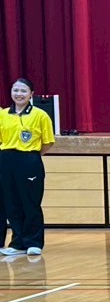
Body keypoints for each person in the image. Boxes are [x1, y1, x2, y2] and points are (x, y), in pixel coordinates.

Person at [0, 78, 55, 257]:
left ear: (31, 94)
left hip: (29, 160)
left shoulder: (40, 115)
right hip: (7, 159)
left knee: (30, 202)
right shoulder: (3, 114)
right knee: (11, 203)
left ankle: (33, 242)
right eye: (15, 90)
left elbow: (48, 142)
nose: (19, 94)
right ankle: (17, 243)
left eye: (23, 91)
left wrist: (31, 156)